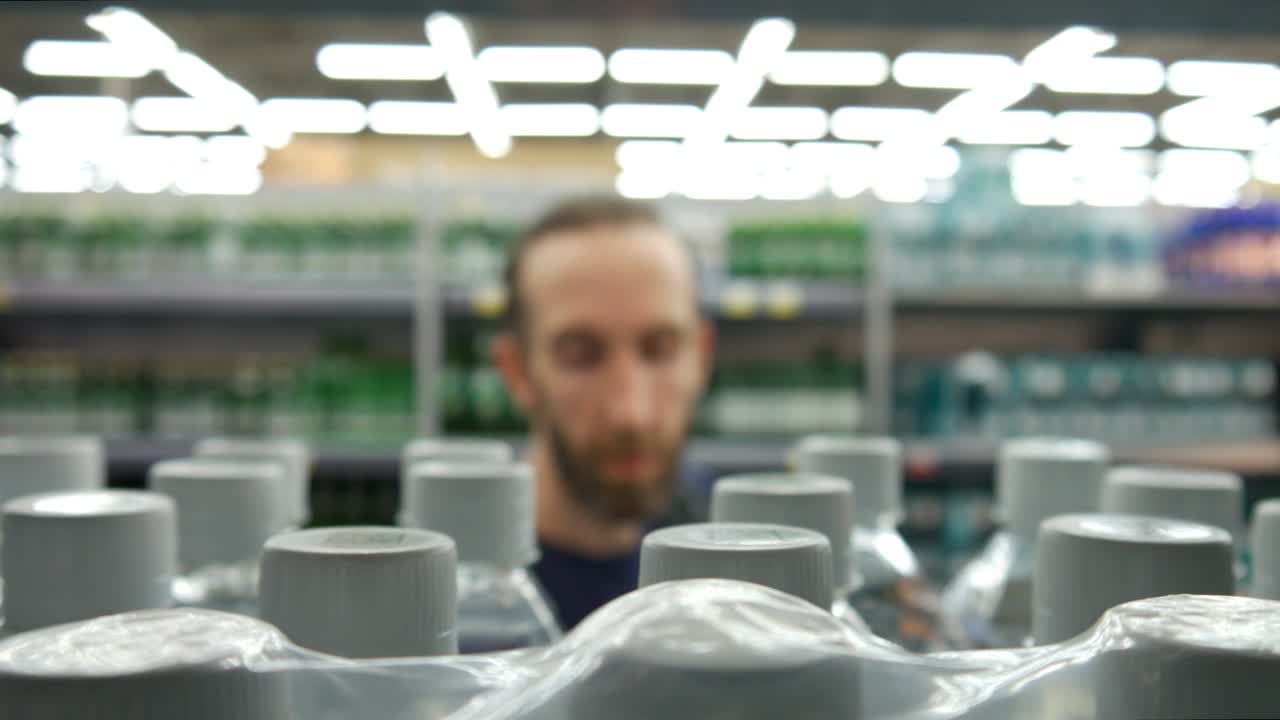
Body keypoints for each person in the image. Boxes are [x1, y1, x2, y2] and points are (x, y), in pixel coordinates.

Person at [492, 196, 715, 630]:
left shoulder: (733, 560)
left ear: (701, 358)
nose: (629, 414)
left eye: (661, 351)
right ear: (517, 371)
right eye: (582, 357)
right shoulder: (460, 600)